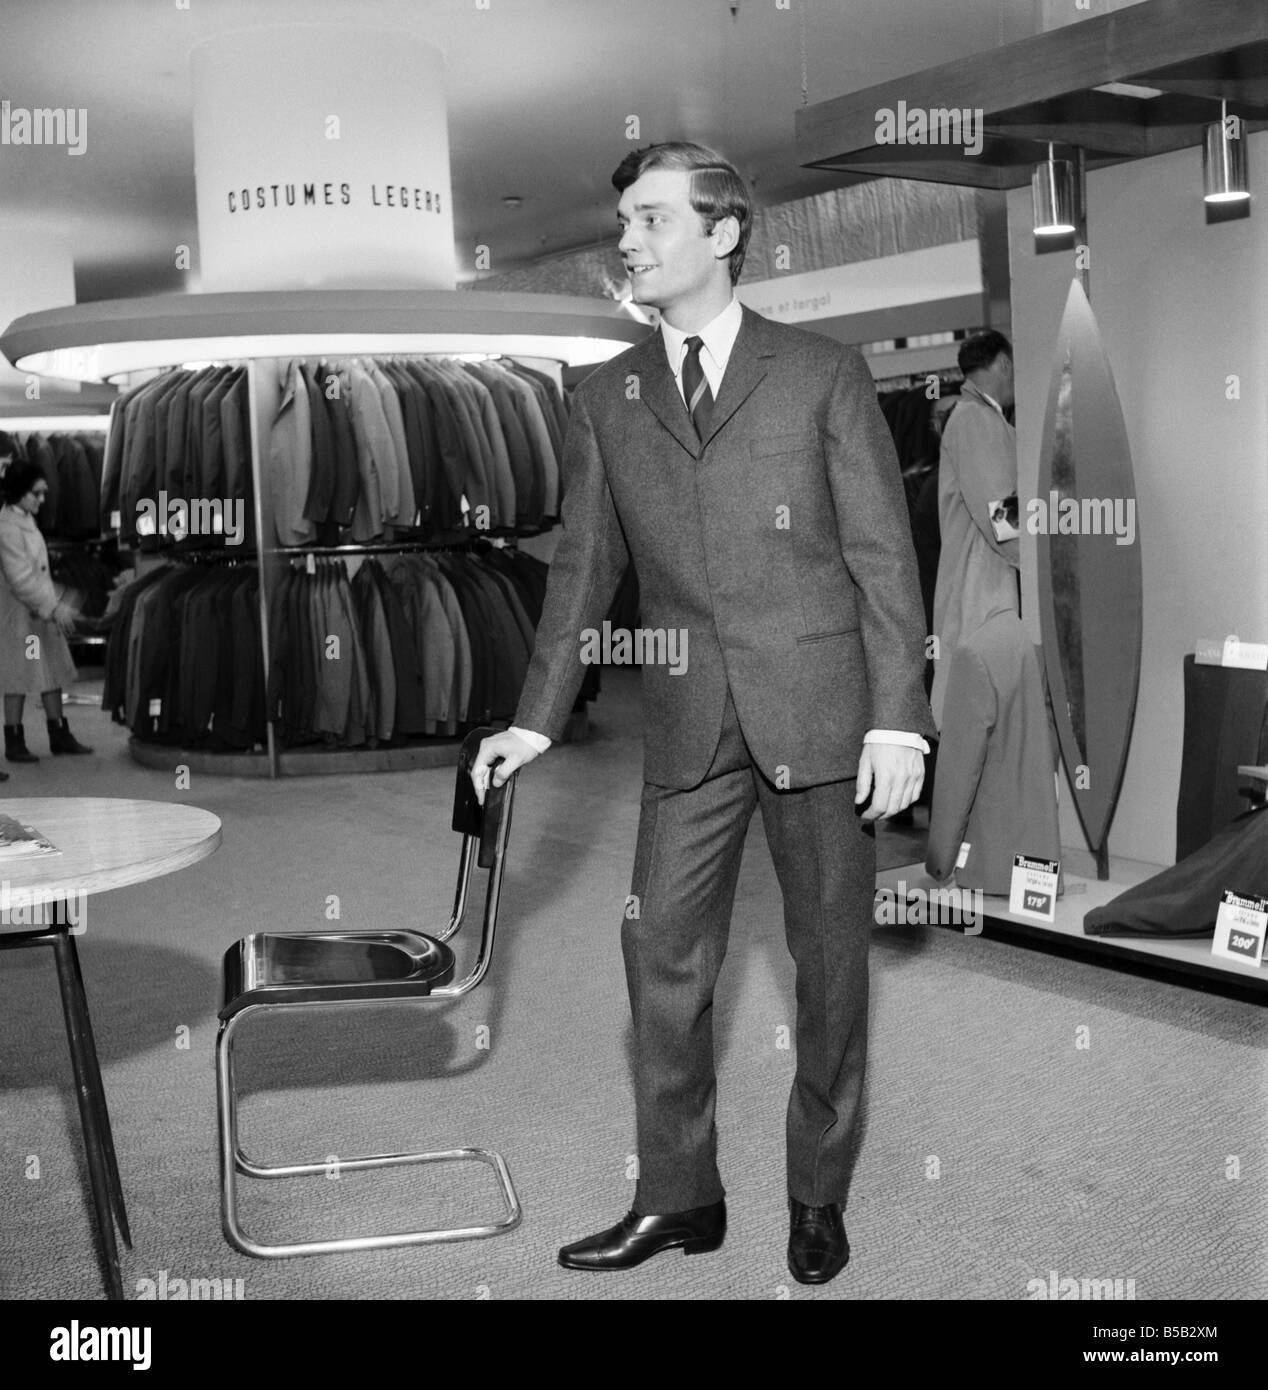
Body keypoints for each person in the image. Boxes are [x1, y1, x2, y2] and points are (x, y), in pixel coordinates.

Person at [471, 141, 932, 1285]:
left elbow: (883, 557)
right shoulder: (603, 393)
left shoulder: (821, 372)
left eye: (650, 219)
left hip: (823, 716)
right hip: (685, 723)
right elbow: (581, 568)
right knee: (656, 954)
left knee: (827, 967)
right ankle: (681, 1198)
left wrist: (897, 720)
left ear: (723, 233)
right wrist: (535, 717)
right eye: (622, 220)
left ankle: (816, 1194)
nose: (626, 241)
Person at [929, 331, 1019, 729]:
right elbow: (1001, 513)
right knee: (982, 717)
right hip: (982, 592)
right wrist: (1037, 565)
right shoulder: (976, 420)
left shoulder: (976, 418)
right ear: (1004, 364)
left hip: (983, 589)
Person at [0, 460, 92, 762]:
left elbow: (32, 575)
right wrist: (55, 605)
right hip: (21, 616)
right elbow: (21, 578)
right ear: (19, 492)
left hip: (38, 612)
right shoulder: (7, 527)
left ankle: (59, 734)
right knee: (18, 677)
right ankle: (14, 739)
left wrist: (56, 603)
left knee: (49, 672)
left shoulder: (23, 519)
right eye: (36, 493)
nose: (42, 499)